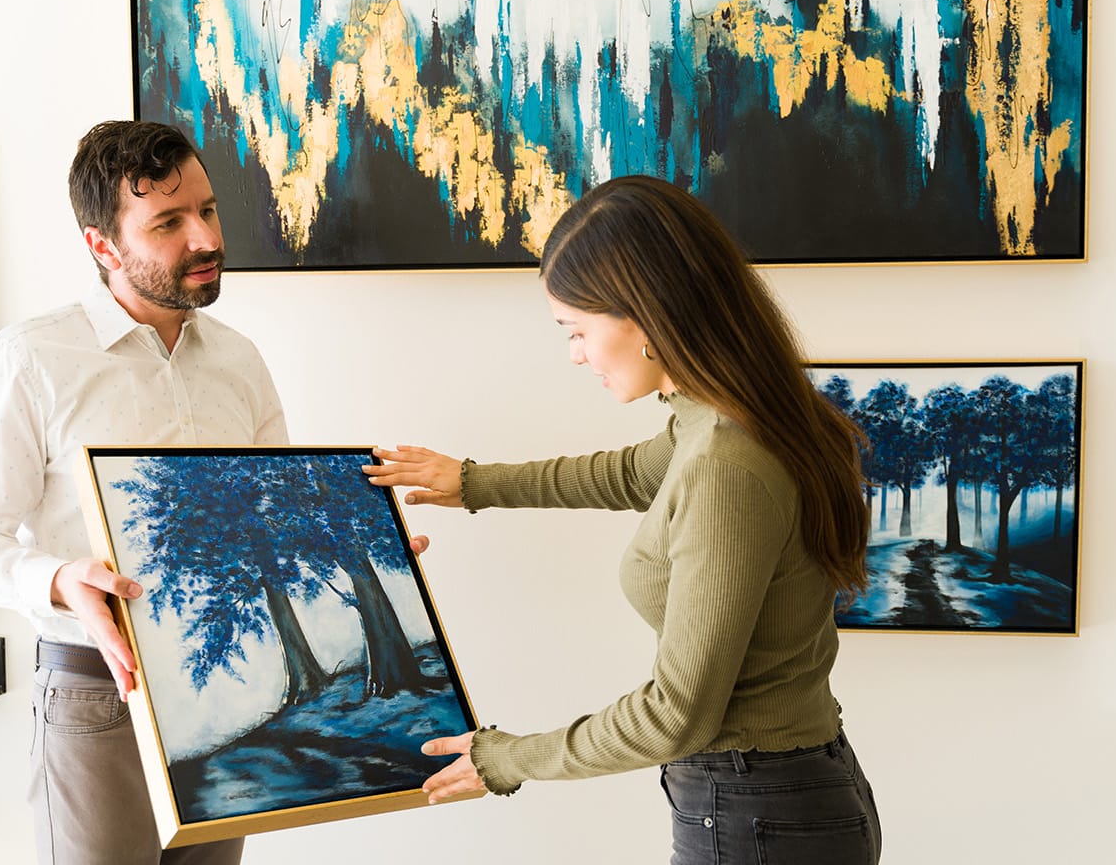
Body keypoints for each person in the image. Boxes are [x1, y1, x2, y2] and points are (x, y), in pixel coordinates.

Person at [365, 175, 882, 864]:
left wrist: (510, 758)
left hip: (756, 816)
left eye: (576, 330)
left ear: (645, 315)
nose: (574, 353)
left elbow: (675, 714)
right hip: (781, 801)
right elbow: (626, 473)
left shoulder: (728, 460)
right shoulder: (724, 419)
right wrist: (469, 482)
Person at [0, 121, 286, 865]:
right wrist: (62, 579)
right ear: (103, 247)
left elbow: (268, 520)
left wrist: (364, 543)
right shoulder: (33, 358)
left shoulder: (241, 360)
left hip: (230, 687)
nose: (204, 237)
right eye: (168, 223)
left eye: (208, 210)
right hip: (97, 695)